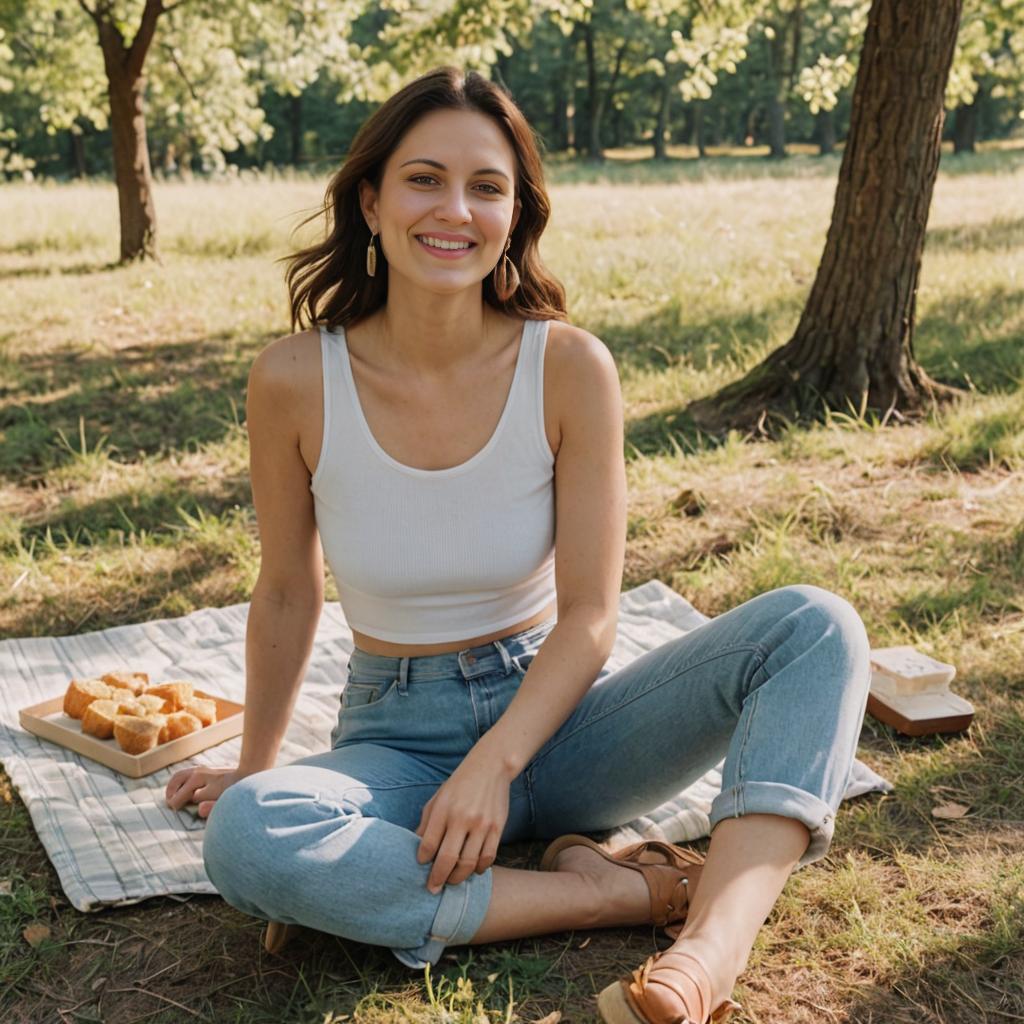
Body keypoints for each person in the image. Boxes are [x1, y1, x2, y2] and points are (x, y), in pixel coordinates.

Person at [164, 66, 872, 1024]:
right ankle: (625, 891)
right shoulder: (293, 379)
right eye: (423, 179)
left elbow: (590, 615)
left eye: (486, 186)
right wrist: (256, 767)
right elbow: (289, 590)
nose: (454, 209)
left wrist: (496, 765)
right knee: (251, 837)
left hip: (565, 721)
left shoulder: (569, 366)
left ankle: (709, 950)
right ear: (370, 201)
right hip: (398, 741)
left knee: (815, 626)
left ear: (515, 214)